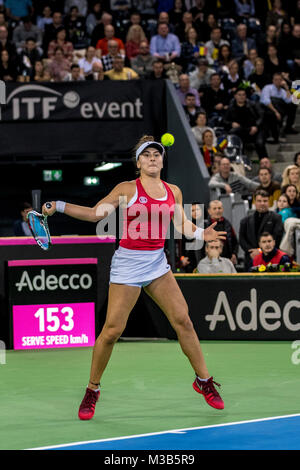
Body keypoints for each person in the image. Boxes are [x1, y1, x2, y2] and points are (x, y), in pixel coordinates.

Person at [42, 135, 226, 419]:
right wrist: (60, 206)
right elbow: (95, 214)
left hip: (157, 264)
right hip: (127, 264)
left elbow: (182, 224)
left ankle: (203, 381)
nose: (153, 158)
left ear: (162, 160)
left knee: (183, 320)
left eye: (157, 155)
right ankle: (92, 390)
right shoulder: (126, 189)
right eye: (147, 155)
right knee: (112, 331)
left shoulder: (173, 190)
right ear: (138, 162)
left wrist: (203, 234)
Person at [239, 189, 284, 270]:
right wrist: (251, 251)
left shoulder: (276, 218)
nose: (262, 203)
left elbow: (277, 238)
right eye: (259, 201)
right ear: (254, 202)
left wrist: (260, 251)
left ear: (269, 202)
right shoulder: (245, 220)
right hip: (250, 258)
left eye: (265, 201)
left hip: (270, 259)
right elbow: (242, 239)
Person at [224, 88, 267, 159]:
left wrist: (256, 126)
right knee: (235, 138)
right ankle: (240, 162)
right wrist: (231, 123)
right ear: (235, 96)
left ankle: (265, 161)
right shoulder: (231, 107)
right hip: (240, 131)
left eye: (243, 95)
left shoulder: (253, 105)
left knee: (260, 143)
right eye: (239, 95)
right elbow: (224, 120)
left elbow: (261, 117)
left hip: (255, 130)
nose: (242, 97)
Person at [260, 72, 298, 143]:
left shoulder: (282, 91)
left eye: (280, 80)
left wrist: (286, 88)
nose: (278, 81)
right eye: (276, 79)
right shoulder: (268, 88)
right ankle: (274, 135)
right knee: (274, 102)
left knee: (294, 104)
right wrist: (276, 112)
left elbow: (289, 100)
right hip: (268, 109)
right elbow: (266, 101)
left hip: (279, 110)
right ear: (273, 80)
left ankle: (287, 127)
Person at [204, 199, 239, 265]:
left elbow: (235, 242)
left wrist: (234, 254)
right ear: (209, 211)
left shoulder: (227, 224)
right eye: (214, 208)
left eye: (219, 208)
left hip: (227, 261)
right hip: (209, 262)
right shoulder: (204, 225)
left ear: (222, 209)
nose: (217, 211)